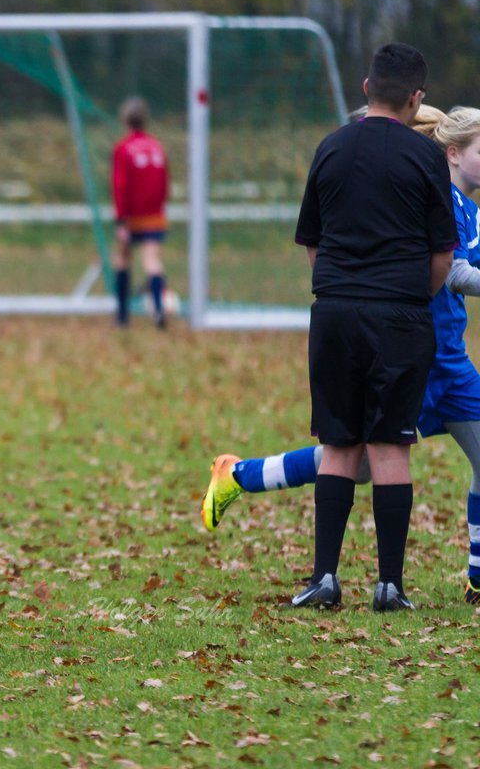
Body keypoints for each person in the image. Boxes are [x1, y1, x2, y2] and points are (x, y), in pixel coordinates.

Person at [203, 104, 480, 608]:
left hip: (443, 358)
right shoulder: (414, 190)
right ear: (447, 151)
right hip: (409, 348)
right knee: (356, 459)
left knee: (371, 461)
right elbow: (448, 268)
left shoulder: (460, 205)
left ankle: (475, 579)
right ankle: (239, 477)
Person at [111, 97, 170, 328]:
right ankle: (158, 310)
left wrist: (121, 219)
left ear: (125, 120)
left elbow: (120, 184)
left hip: (131, 216)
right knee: (152, 261)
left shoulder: (123, 148)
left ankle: (123, 316)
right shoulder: (157, 146)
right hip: (154, 214)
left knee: (123, 260)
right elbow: (165, 183)